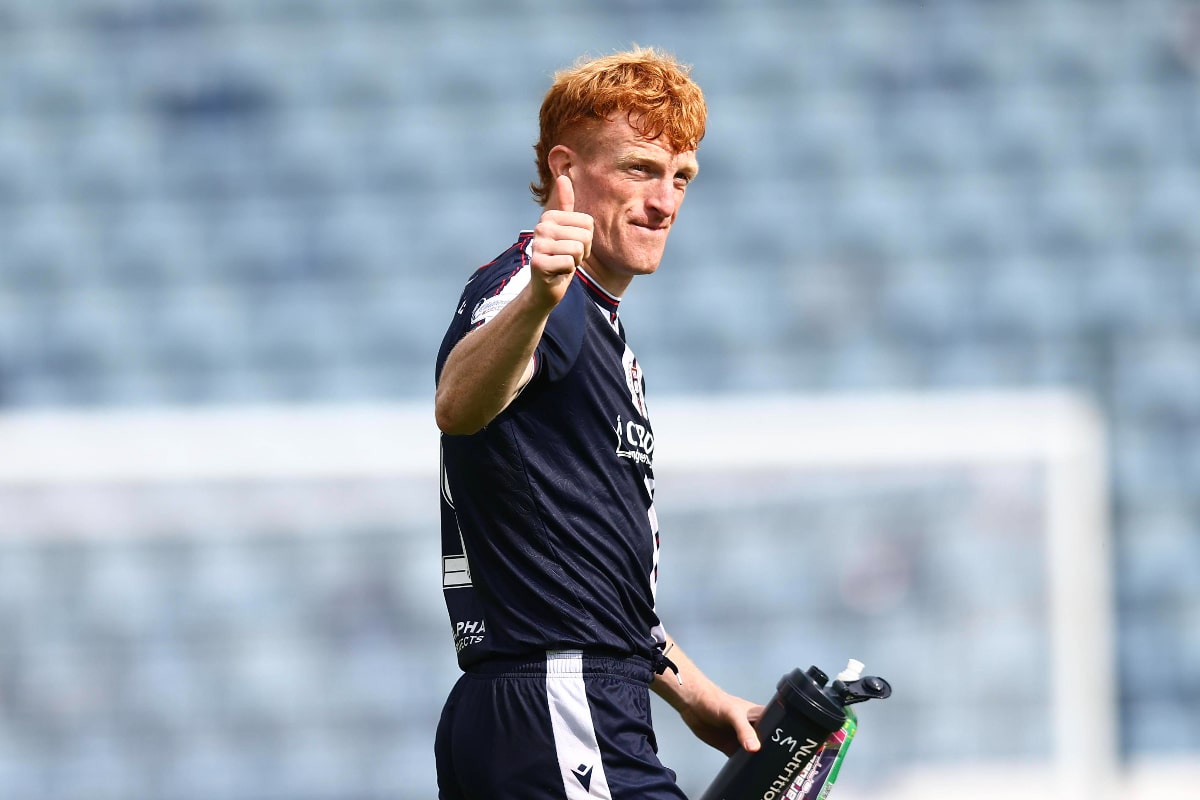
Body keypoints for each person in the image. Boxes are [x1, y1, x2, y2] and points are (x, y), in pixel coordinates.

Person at [433, 47, 762, 800]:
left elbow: (589, 571)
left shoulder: (592, 321)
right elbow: (459, 404)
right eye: (640, 169)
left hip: (569, 702)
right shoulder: (537, 291)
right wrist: (539, 299)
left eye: (681, 177)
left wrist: (697, 696)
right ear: (566, 170)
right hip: (560, 703)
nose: (666, 202)